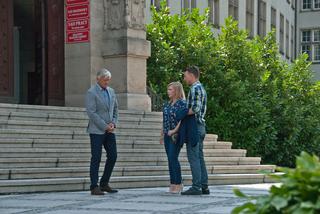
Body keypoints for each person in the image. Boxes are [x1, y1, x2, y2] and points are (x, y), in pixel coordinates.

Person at [85, 68, 119, 195]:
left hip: (110, 130)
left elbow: (115, 109)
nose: (107, 82)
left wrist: (113, 123)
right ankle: (94, 186)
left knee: (113, 156)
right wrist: (105, 126)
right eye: (105, 80)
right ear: (98, 79)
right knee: (96, 158)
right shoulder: (91, 92)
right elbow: (91, 112)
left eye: (108, 80)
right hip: (96, 131)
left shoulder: (111, 91)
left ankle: (104, 183)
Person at [181, 65, 210, 195]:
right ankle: (204, 186)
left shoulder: (195, 88)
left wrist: (182, 113)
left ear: (192, 75)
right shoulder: (201, 88)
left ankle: (196, 187)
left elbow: (195, 109)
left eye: (185, 75)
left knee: (193, 157)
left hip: (195, 126)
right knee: (199, 157)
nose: (184, 78)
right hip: (200, 127)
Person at [160, 82, 186, 194]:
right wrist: (162, 134)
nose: (168, 91)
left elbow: (182, 120)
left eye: (170, 89)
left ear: (176, 91)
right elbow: (164, 120)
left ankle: (178, 183)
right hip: (167, 134)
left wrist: (174, 131)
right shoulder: (167, 104)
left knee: (173, 157)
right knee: (170, 159)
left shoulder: (182, 104)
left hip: (176, 135)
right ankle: (172, 183)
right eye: (168, 89)